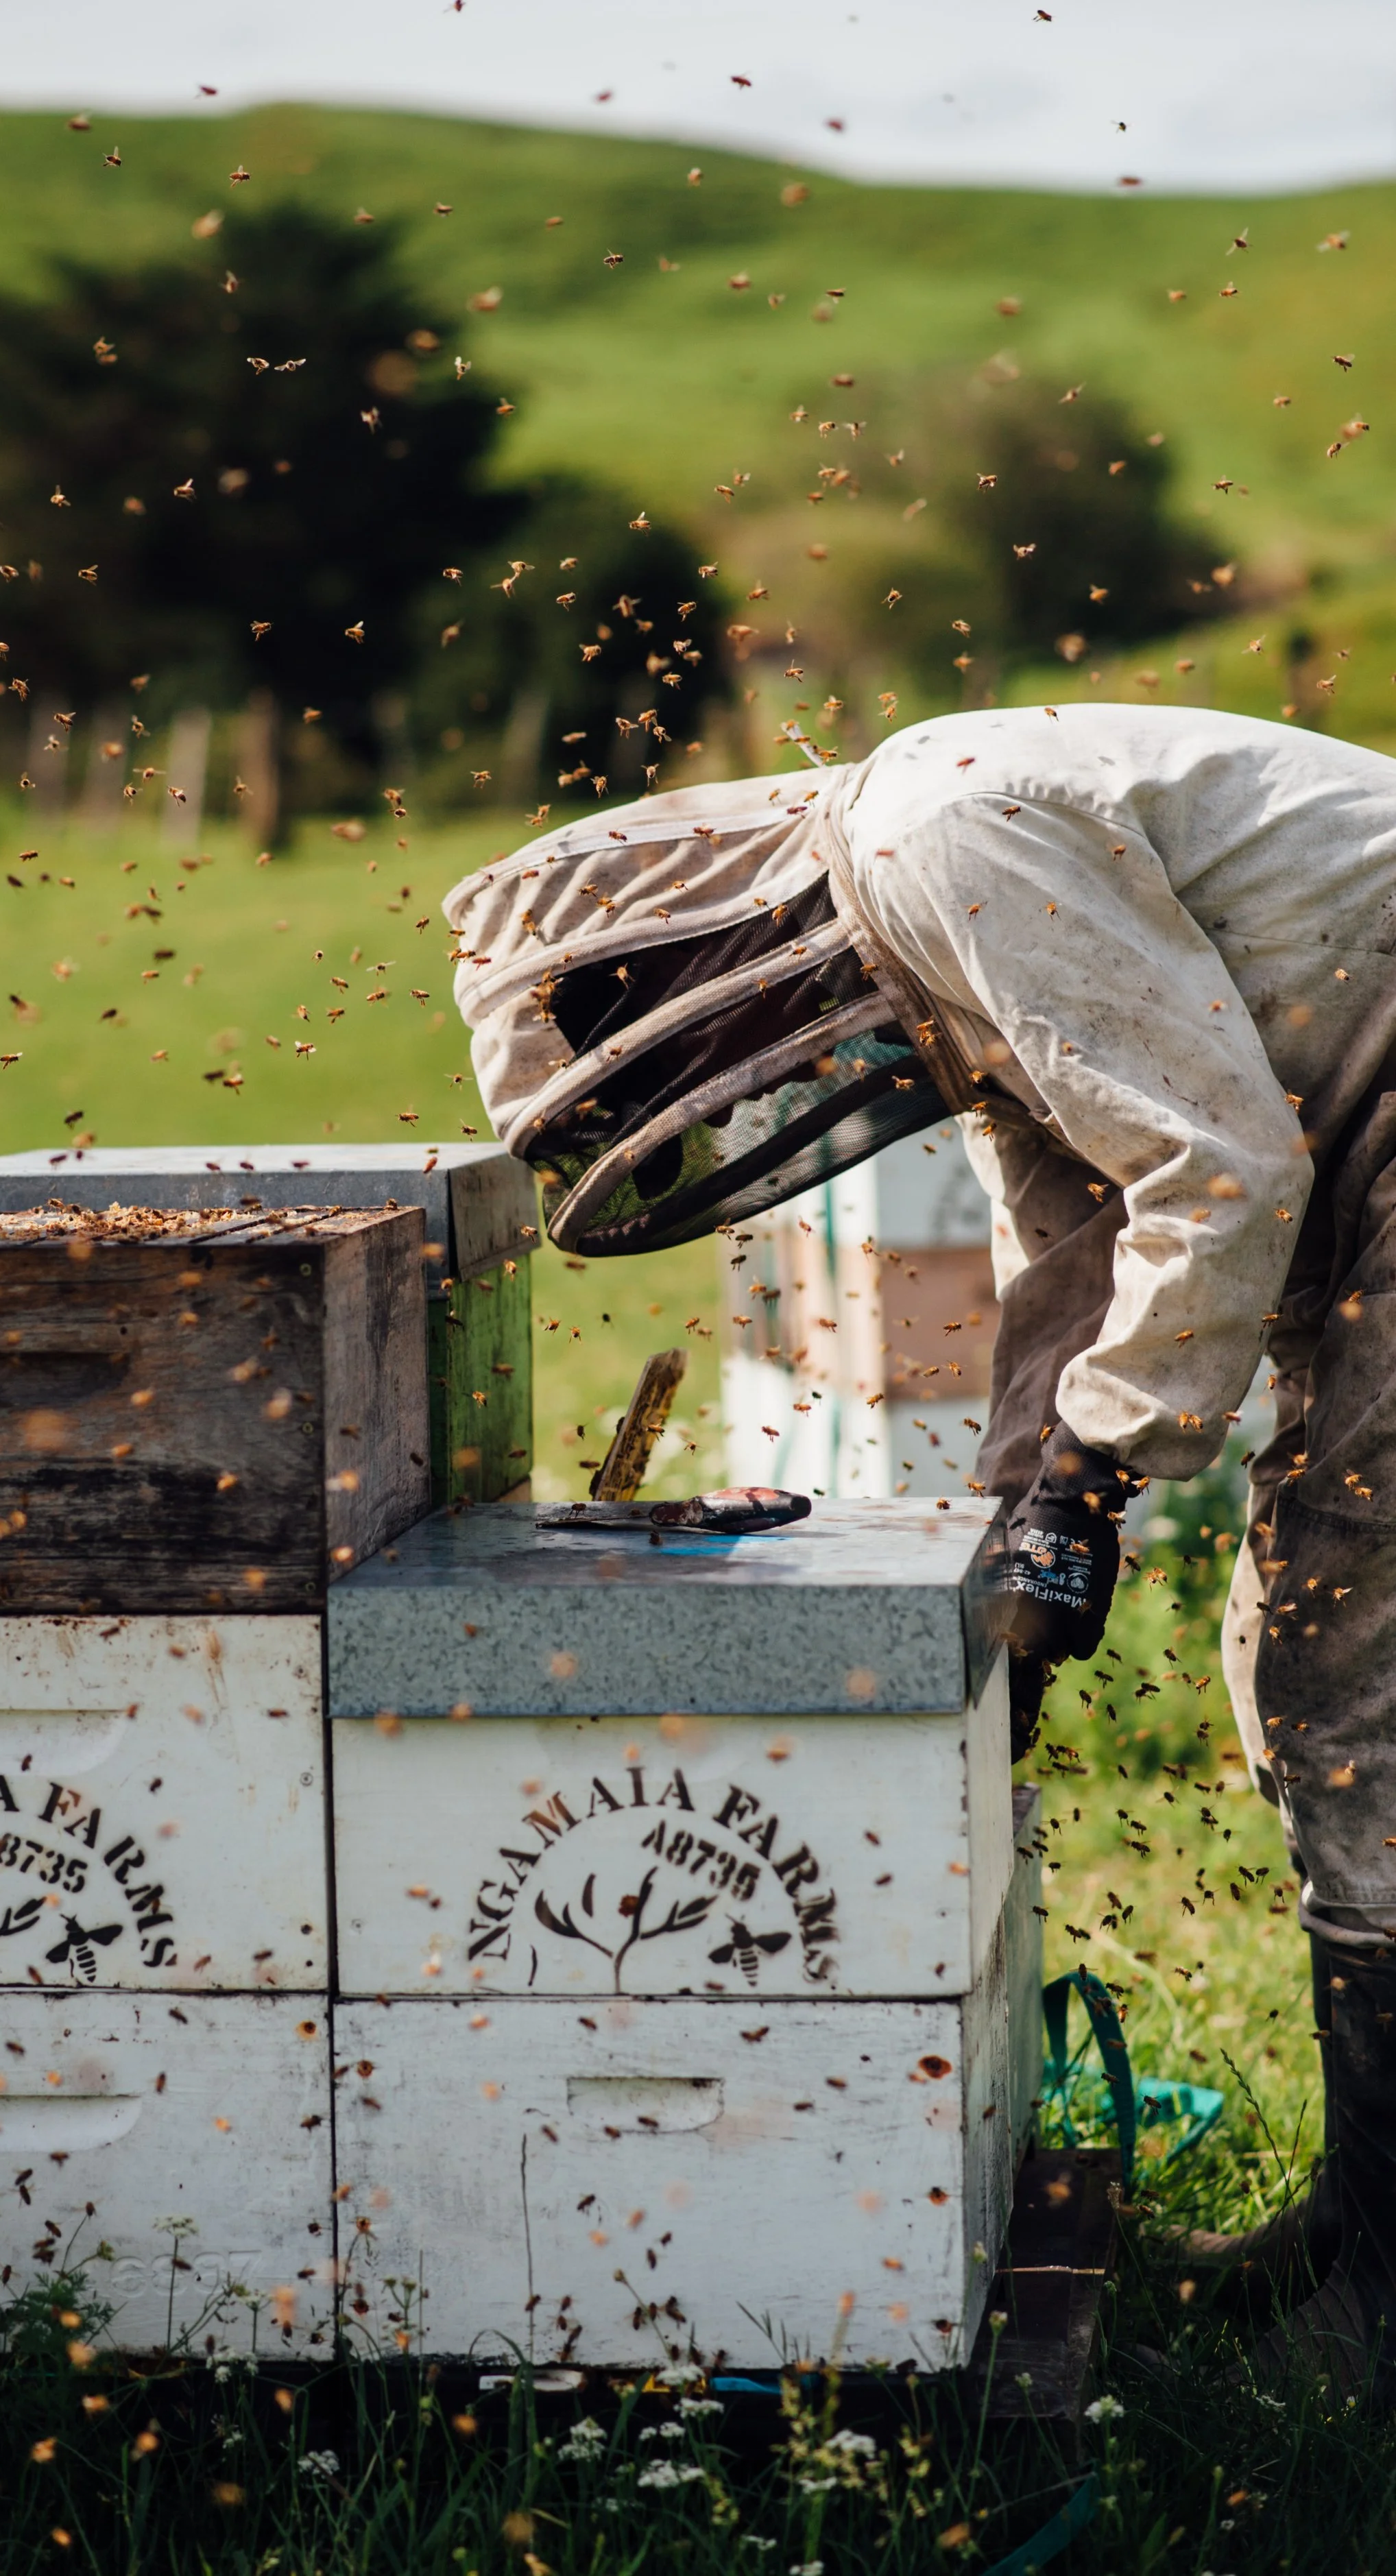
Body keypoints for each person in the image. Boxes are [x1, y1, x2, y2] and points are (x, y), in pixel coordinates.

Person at [446, 699, 1396, 2392]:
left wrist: (1090, 1485)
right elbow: (1082, 1234)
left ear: (677, 964)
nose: (759, 1091)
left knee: (1365, 1665)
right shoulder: (929, 919)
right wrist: (1020, 1502)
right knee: (1305, 1656)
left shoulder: (940, 839)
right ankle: (1359, 2220)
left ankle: (1382, 2301)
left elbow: (1216, 1168)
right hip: (1362, 1132)